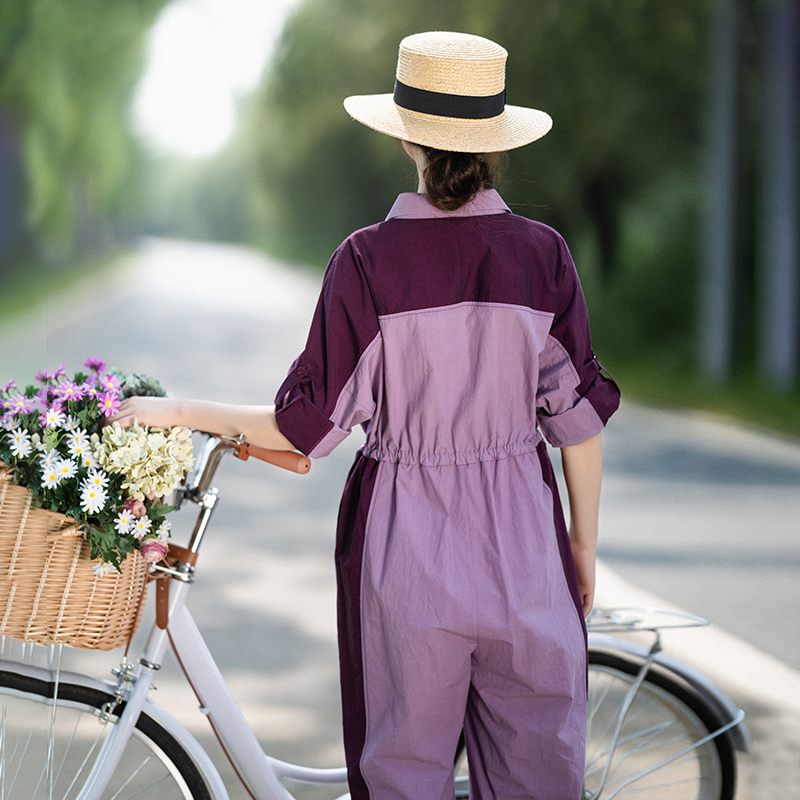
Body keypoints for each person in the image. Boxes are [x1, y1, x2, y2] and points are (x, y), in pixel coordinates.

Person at [114, 31, 620, 800]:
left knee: (402, 772)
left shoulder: (367, 262)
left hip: (404, 549)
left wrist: (178, 409)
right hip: (526, 545)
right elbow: (579, 423)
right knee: (540, 774)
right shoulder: (543, 253)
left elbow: (303, 430)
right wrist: (580, 545)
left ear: (406, 136)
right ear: (494, 143)